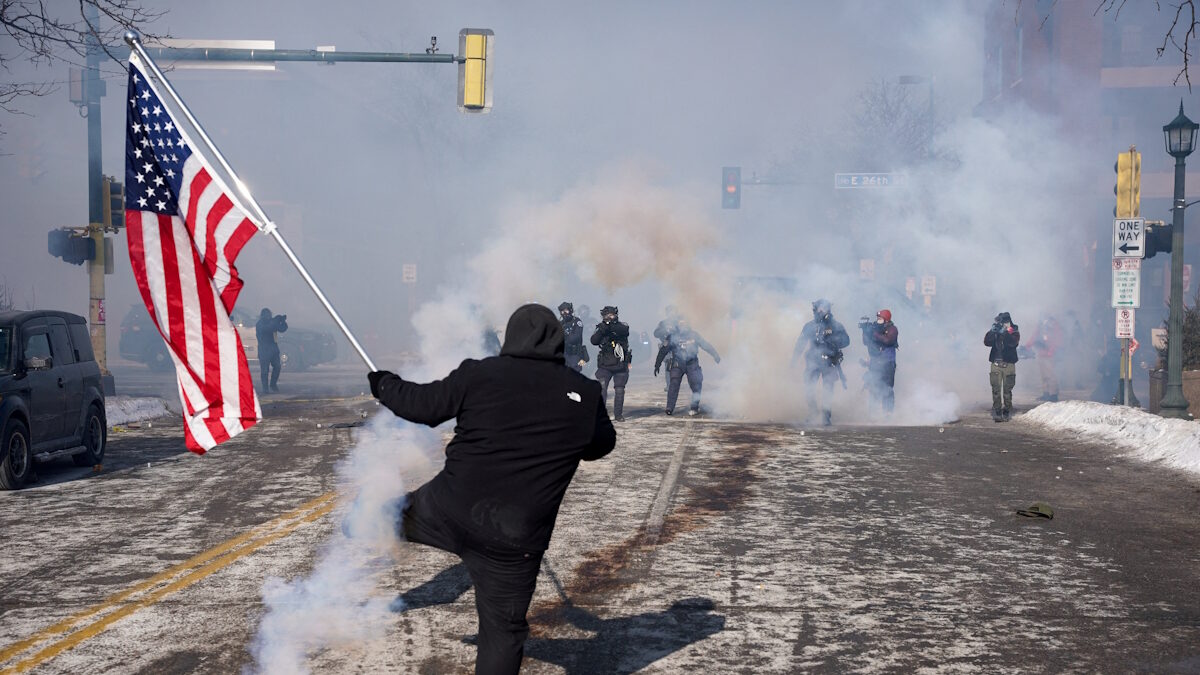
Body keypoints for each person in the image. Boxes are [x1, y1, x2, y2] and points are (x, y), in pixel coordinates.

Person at [367, 304, 616, 674]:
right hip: (514, 540)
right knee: (502, 633)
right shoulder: (585, 392)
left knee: (388, 515)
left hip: (448, 509)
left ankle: (361, 522)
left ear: (511, 337)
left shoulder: (480, 373)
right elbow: (602, 445)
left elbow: (422, 406)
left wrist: (384, 384)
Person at [793, 299, 850, 426]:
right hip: (813, 361)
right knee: (809, 387)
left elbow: (846, 341)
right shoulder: (809, 326)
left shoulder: (836, 325)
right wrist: (794, 360)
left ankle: (826, 416)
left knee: (828, 390)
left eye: (823, 308)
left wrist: (834, 341)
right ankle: (813, 412)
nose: (820, 311)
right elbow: (800, 344)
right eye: (818, 308)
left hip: (829, 362)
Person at [655, 318, 720, 416]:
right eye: (681, 323)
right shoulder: (673, 336)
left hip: (692, 363)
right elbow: (663, 350)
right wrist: (657, 364)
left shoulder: (694, 335)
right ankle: (669, 408)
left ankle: (694, 407)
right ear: (678, 325)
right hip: (677, 364)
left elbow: (705, 345)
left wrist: (715, 354)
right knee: (673, 384)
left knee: (696, 383)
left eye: (684, 323)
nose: (683, 325)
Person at [591, 305, 631, 422]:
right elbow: (594, 341)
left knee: (619, 390)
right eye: (607, 315)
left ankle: (618, 415)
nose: (609, 317)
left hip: (620, 364)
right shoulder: (601, 327)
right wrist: (603, 328)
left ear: (616, 315)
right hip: (605, 365)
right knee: (602, 389)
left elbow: (624, 331)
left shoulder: (622, 326)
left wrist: (610, 326)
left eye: (611, 315)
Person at [860, 309, 899, 414]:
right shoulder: (875, 328)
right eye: (877, 318)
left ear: (886, 319)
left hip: (888, 363)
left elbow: (887, 340)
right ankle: (873, 413)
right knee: (873, 386)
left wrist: (874, 333)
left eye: (880, 319)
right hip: (875, 362)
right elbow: (865, 342)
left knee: (887, 388)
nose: (878, 320)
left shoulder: (892, 329)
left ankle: (888, 413)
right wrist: (865, 331)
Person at [984, 311, 1021, 422]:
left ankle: (1007, 410)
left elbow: (1013, 343)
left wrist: (1006, 332)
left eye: (1005, 321)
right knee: (996, 388)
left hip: (1009, 364)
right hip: (996, 363)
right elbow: (987, 342)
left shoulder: (1014, 330)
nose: (1003, 323)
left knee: (1007, 390)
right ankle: (997, 410)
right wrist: (992, 332)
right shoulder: (996, 329)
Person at [1031, 314, 1063, 402]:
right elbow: (1034, 337)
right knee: (1043, 375)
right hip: (1041, 354)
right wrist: (1027, 347)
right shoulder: (1040, 326)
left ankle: (1053, 395)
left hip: (1049, 355)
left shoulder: (1054, 326)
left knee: (1051, 375)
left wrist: (1051, 351)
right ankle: (1046, 393)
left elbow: (1057, 340)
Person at [255, 308, 288, 392]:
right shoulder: (260, 324)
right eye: (266, 315)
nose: (268, 316)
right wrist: (276, 321)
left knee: (277, 367)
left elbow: (283, 329)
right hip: (264, 350)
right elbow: (267, 329)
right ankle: (265, 388)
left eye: (269, 314)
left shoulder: (272, 322)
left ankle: (273, 384)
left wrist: (282, 321)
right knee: (265, 370)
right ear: (262, 315)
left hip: (274, 350)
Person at [558, 301, 589, 373]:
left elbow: (575, 338)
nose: (564, 313)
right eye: (562, 311)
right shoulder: (560, 323)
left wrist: (564, 336)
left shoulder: (577, 322)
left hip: (575, 354)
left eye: (566, 310)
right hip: (564, 353)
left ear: (570, 310)